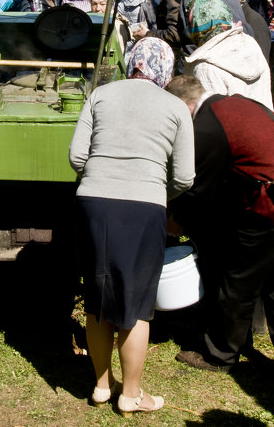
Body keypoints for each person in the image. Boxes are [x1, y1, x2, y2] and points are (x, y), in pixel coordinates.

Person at [69, 38, 194, 413]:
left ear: (131, 63)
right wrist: (157, 189)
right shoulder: (175, 107)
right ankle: (132, 394)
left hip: (92, 202)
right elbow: (185, 176)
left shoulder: (101, 95)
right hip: (144, 206)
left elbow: (77, 156)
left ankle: (102, 385)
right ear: (166, 71)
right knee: (136, 303)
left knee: (96, 298)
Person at [165, 76, 274, 378]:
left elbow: (197, 188)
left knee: (237, 284)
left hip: (269, 212)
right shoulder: (240, 103)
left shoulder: (208, 125)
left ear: (184, 107)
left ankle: (220, 354)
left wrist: (175, 221)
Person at [185, 0, 273, 109]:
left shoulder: (205, 66)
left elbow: (213, 117)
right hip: (264, 124)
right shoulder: (249, 43)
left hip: (233, 126)